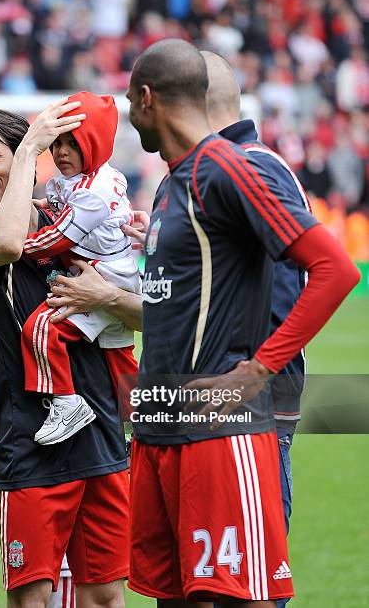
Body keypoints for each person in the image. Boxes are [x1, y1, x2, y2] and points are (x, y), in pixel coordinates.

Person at [123, 39, 359, 607]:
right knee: (174, 597)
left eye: (130, 105)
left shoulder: (229, 168)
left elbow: (334, 270)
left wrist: (255, 372)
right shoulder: (174, 182)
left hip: (220, 434)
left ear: (146, 99)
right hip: (161, 428)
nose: (130, 120)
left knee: (237, 599)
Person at [0, 101, 130, 608]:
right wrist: (27, 149)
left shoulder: (74, 220)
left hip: (100, 434)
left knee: (107, 596)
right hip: (27, 443)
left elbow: (149, 313)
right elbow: (9, 242)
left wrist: (110, 294)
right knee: (32, 601)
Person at [201, 50, 308, 608]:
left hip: (252, 406)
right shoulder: (226, 165)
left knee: (255, 581)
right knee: (222, 576)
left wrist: (251, 376)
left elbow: (286, 293)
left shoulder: (253, 165)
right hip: (220, 404)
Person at [20, 91, 140, 446]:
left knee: (40, 329)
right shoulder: (99, 177)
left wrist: (17, 246)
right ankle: (145, 433)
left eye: (73, 144)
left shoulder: (93, 193)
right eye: (56, 143)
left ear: (95, 143)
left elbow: (56, 238)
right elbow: (62, 207)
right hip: (115, 271)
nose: (62, 152)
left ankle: (66, 402)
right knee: (120, 361)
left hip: (102, 276)